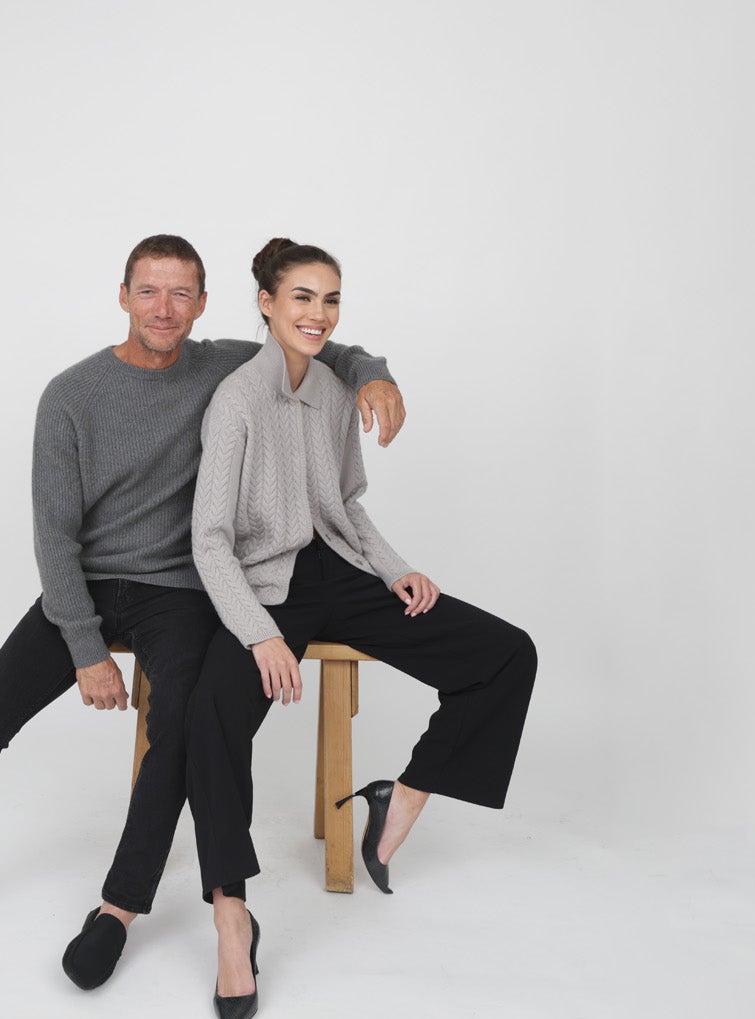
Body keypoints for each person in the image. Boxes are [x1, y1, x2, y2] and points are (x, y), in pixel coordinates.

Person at [0, 235, 412, 994]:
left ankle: (117, 909)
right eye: (149, 291)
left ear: (203, 304)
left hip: (180, 592)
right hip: (84, 586)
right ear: (123, 296)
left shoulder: (224, 365)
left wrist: (375, 375)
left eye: (182, 293)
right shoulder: (71, 394)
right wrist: (85, 648)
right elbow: (53, 536)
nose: (165, 309)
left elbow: (322, 345)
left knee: (178, 732)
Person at [183, 239, 538, 1017]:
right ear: (267, 303)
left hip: (341, 573)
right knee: (211, 716)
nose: (319, 314)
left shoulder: (337, 393)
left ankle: (403, 793)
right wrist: (260, 634)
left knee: (507, 654)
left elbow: (345, 504)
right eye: (302, 297)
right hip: (267, 588)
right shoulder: (236, 399)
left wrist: (395, 569)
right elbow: (209, 538)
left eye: (331, 299)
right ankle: (232, 915)